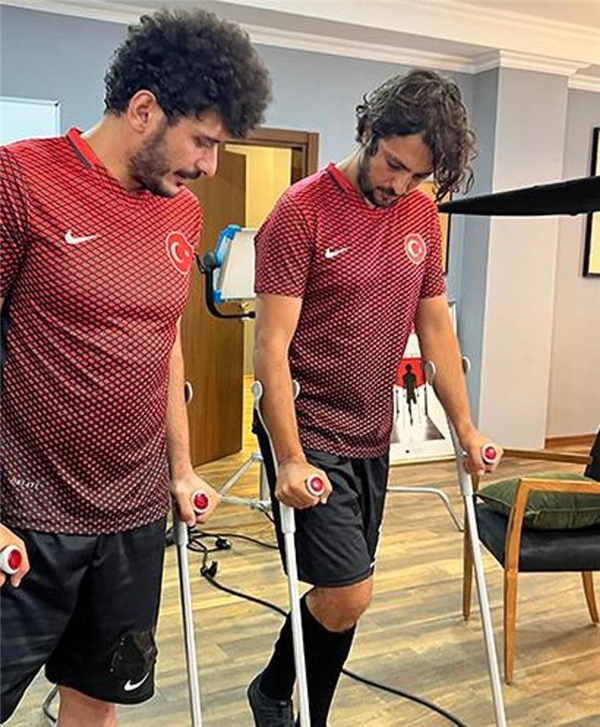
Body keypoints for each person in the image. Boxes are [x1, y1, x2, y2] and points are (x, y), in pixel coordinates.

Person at [0, 9, 271, 726]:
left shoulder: (180, 213)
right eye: (202, 141)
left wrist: (182, 469)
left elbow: (165, 340)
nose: (210, 165)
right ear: (144, 110)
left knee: (98, 701)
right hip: (25, 513)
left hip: (133, 515)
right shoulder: (20, 179)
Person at [249, 68, 502, 727]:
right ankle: (283, 698)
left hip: (371, 430)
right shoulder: (300, 211)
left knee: (345, 595)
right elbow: (270, 347)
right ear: (368, 129)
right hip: (309, 426)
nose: (399, 185)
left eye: (416, 176)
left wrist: (466, 427)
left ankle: (282, 696)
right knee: (348, 590)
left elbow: (435, 325)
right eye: (392, 164)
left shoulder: (418, 213)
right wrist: (288, 456)